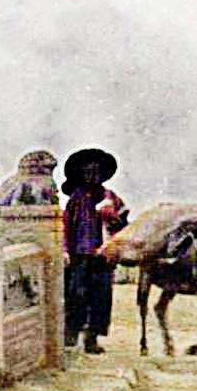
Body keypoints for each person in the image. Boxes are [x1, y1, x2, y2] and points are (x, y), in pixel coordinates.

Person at [61, 148, 126, 354]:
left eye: (96, 172)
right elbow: (66, 227)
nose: (92, 176)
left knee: (101, 297)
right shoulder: (75, 199)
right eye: (87, 172)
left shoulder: (110, 197)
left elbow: (123, 226)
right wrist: (64, 251)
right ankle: (71, 334)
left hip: (103, 255)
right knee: (76, 295)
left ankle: (92, 339)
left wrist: (112, 217)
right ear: (80, 175)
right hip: (79, 255)